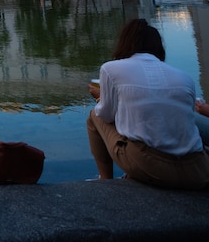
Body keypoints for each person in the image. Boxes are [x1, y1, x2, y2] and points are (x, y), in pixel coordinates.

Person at [86, 18, 209, 189]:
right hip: (198, 169)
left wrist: (101, 97)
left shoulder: (110, 69)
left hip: (153, 167)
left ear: (124, 43)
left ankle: (105, 180)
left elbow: (105, 115)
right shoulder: (184, 77)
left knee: (94, 116)